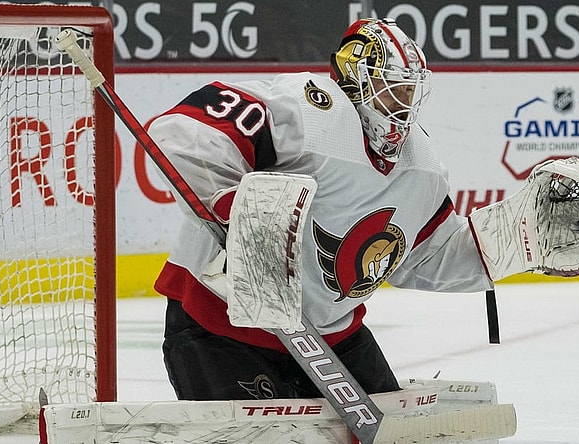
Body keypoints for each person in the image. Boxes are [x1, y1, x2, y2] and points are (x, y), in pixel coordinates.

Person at [148, 17, 493, 401]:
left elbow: (429, 254)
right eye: (391, 89)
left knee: (389, 429)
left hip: (332, 338)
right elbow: (183, 131)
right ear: (356, 78)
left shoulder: (421, 164)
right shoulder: (307, 109)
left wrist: (509, 246)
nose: (402, 105)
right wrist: (235, 207)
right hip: (220, 328)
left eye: (408, 91)